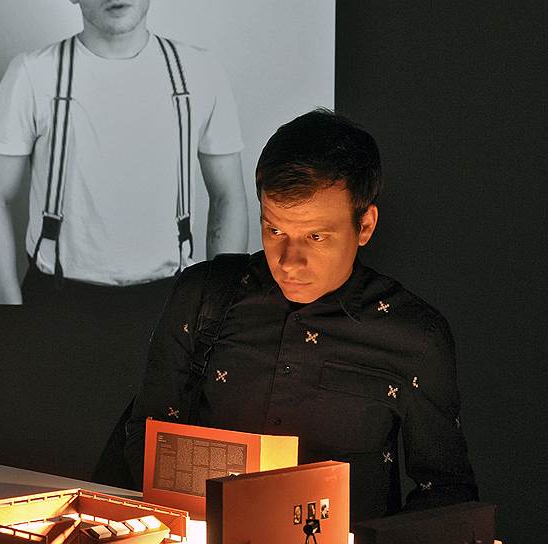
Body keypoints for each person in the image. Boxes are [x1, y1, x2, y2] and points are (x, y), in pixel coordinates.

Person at [125, 109, 478, 522]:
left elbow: (447, 494)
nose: (289, 262)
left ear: (365, 226)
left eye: (316, 236)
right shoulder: (202, 295)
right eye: (275, 230)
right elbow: (144, 442)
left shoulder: (416, 336)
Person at [0, 0, 248, 307]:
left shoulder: (200, 71)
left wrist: (219, 308)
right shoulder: (32, 73)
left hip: (169, 298)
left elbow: (228, 197)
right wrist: (10, 314)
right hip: (56, 297)